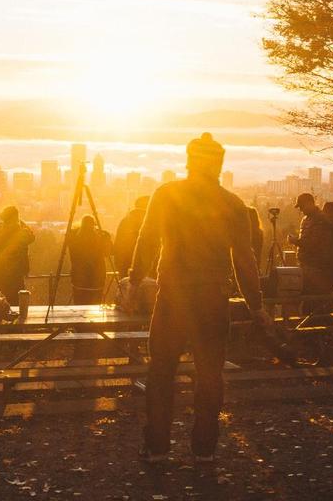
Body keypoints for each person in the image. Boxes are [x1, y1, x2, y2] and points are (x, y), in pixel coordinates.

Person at [128, 133, 277, 464]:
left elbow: (147, 239)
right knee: (209, 372)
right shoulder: (232, 204)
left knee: (162, 369)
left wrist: (134, 280)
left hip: (173, 296)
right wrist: (257, 306)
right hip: (213, 297)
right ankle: (204, 448)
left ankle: (157, 447)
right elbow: (245, 260)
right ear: (219, 165)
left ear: (189, 161)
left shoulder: (167, 194)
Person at [0, 206, 35, 305]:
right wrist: (21, 224)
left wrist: (0, 230)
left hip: (0, 273)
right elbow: (31, 237)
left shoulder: (0, 231)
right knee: (15, 305)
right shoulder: (22, 232)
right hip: (15, 274)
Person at [288, 193, 333, 295]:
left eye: (301, 206)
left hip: (317, 268)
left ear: (309, 203)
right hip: (306, 266)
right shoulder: (306, 219)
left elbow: (314, 244)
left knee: (313, 300)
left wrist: (296, 241)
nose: (301, 210)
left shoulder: (320, 219)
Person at [67, 214, 113, 304]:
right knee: (96, 305)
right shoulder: (101, 237)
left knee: (79, 305)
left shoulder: (74, 237)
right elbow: (108, 252)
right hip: (97, 279)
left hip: (79, 278)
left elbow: (69, 241)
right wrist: (106, 238)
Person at [114, 196, 150, 278]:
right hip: (144, 268)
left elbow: (117, 245)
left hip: (124, 266)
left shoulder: (125, 221)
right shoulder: (149, 222)